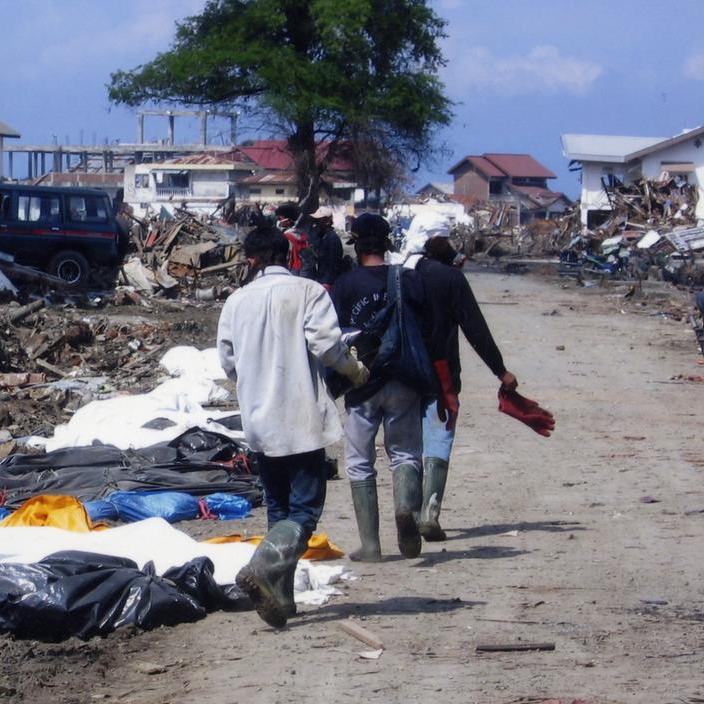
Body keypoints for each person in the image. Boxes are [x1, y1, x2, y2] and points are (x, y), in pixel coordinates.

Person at [217, 227, 369, 628]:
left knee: (278, 509)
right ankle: (263, 567)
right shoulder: (309, 292)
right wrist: (354, 370)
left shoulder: (235, 302)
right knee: (303, 512)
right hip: (300, 418)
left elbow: (228, 363)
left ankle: (281, 599)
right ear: (289, 255)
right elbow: (325, 345)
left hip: (259, 421)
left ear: (251, 260)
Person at [398, 213, 519, 541]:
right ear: (434, 241)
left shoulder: (396, 274)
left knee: (407, 447)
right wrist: (500, 370)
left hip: (400, 373)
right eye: (445, 239)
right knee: (438, 439)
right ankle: (429, 513)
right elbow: (474, 328)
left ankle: (406, 508)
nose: (450, 245)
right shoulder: (449, 279)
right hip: (441, 373)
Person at [329, 213, 428, 561]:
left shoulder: (345, 284)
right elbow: (426, 330)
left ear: (356, 243)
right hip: (404, 379)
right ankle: (405, 509)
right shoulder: (409, 280)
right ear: (388, 243)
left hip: (362, 383)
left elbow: (336, 337)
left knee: (359, 462)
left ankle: (371, 546)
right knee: (404, 454)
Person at [300, 206, 346, 286]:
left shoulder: (332, 238)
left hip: (328, 282)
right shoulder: (322, 236)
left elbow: (333, 264)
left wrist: (327, 283)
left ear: (327, 221)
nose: (316, 223)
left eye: (319, 220)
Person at [274, 202, 310, 274]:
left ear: (289, 220)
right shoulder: (300, 234)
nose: (278, 221)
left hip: (290, 271)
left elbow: (287, 258)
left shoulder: (287, 237)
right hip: (299, 271)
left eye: (279, 218)